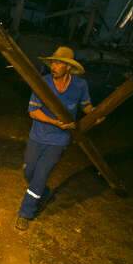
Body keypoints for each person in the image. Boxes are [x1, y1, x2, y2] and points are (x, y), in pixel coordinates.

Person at [15, 46, 95, 231]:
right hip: (37, 136)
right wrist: (54, 121)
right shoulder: (43, 83)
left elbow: (86, 106)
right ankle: (42, 191)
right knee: (29, 172)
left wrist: (95, 114)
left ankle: (25, 213)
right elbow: (33, 111)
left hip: (58, 141)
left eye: (58, 63)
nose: (54, 66)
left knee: (41, 175)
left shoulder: (79, 86)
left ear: (68, 67)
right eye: (52, 62)